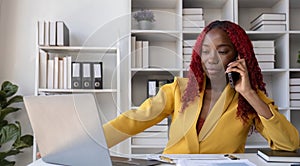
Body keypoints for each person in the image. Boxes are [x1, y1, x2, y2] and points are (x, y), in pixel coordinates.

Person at [103, 20, 299, 154]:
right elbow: (133, 120)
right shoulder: (179, 89)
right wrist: (89, 143)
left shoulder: (249, 99)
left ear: (239, 56)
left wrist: (249, 94)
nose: (211, 59)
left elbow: (289, 144)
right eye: (205, 51)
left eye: (222, 51)